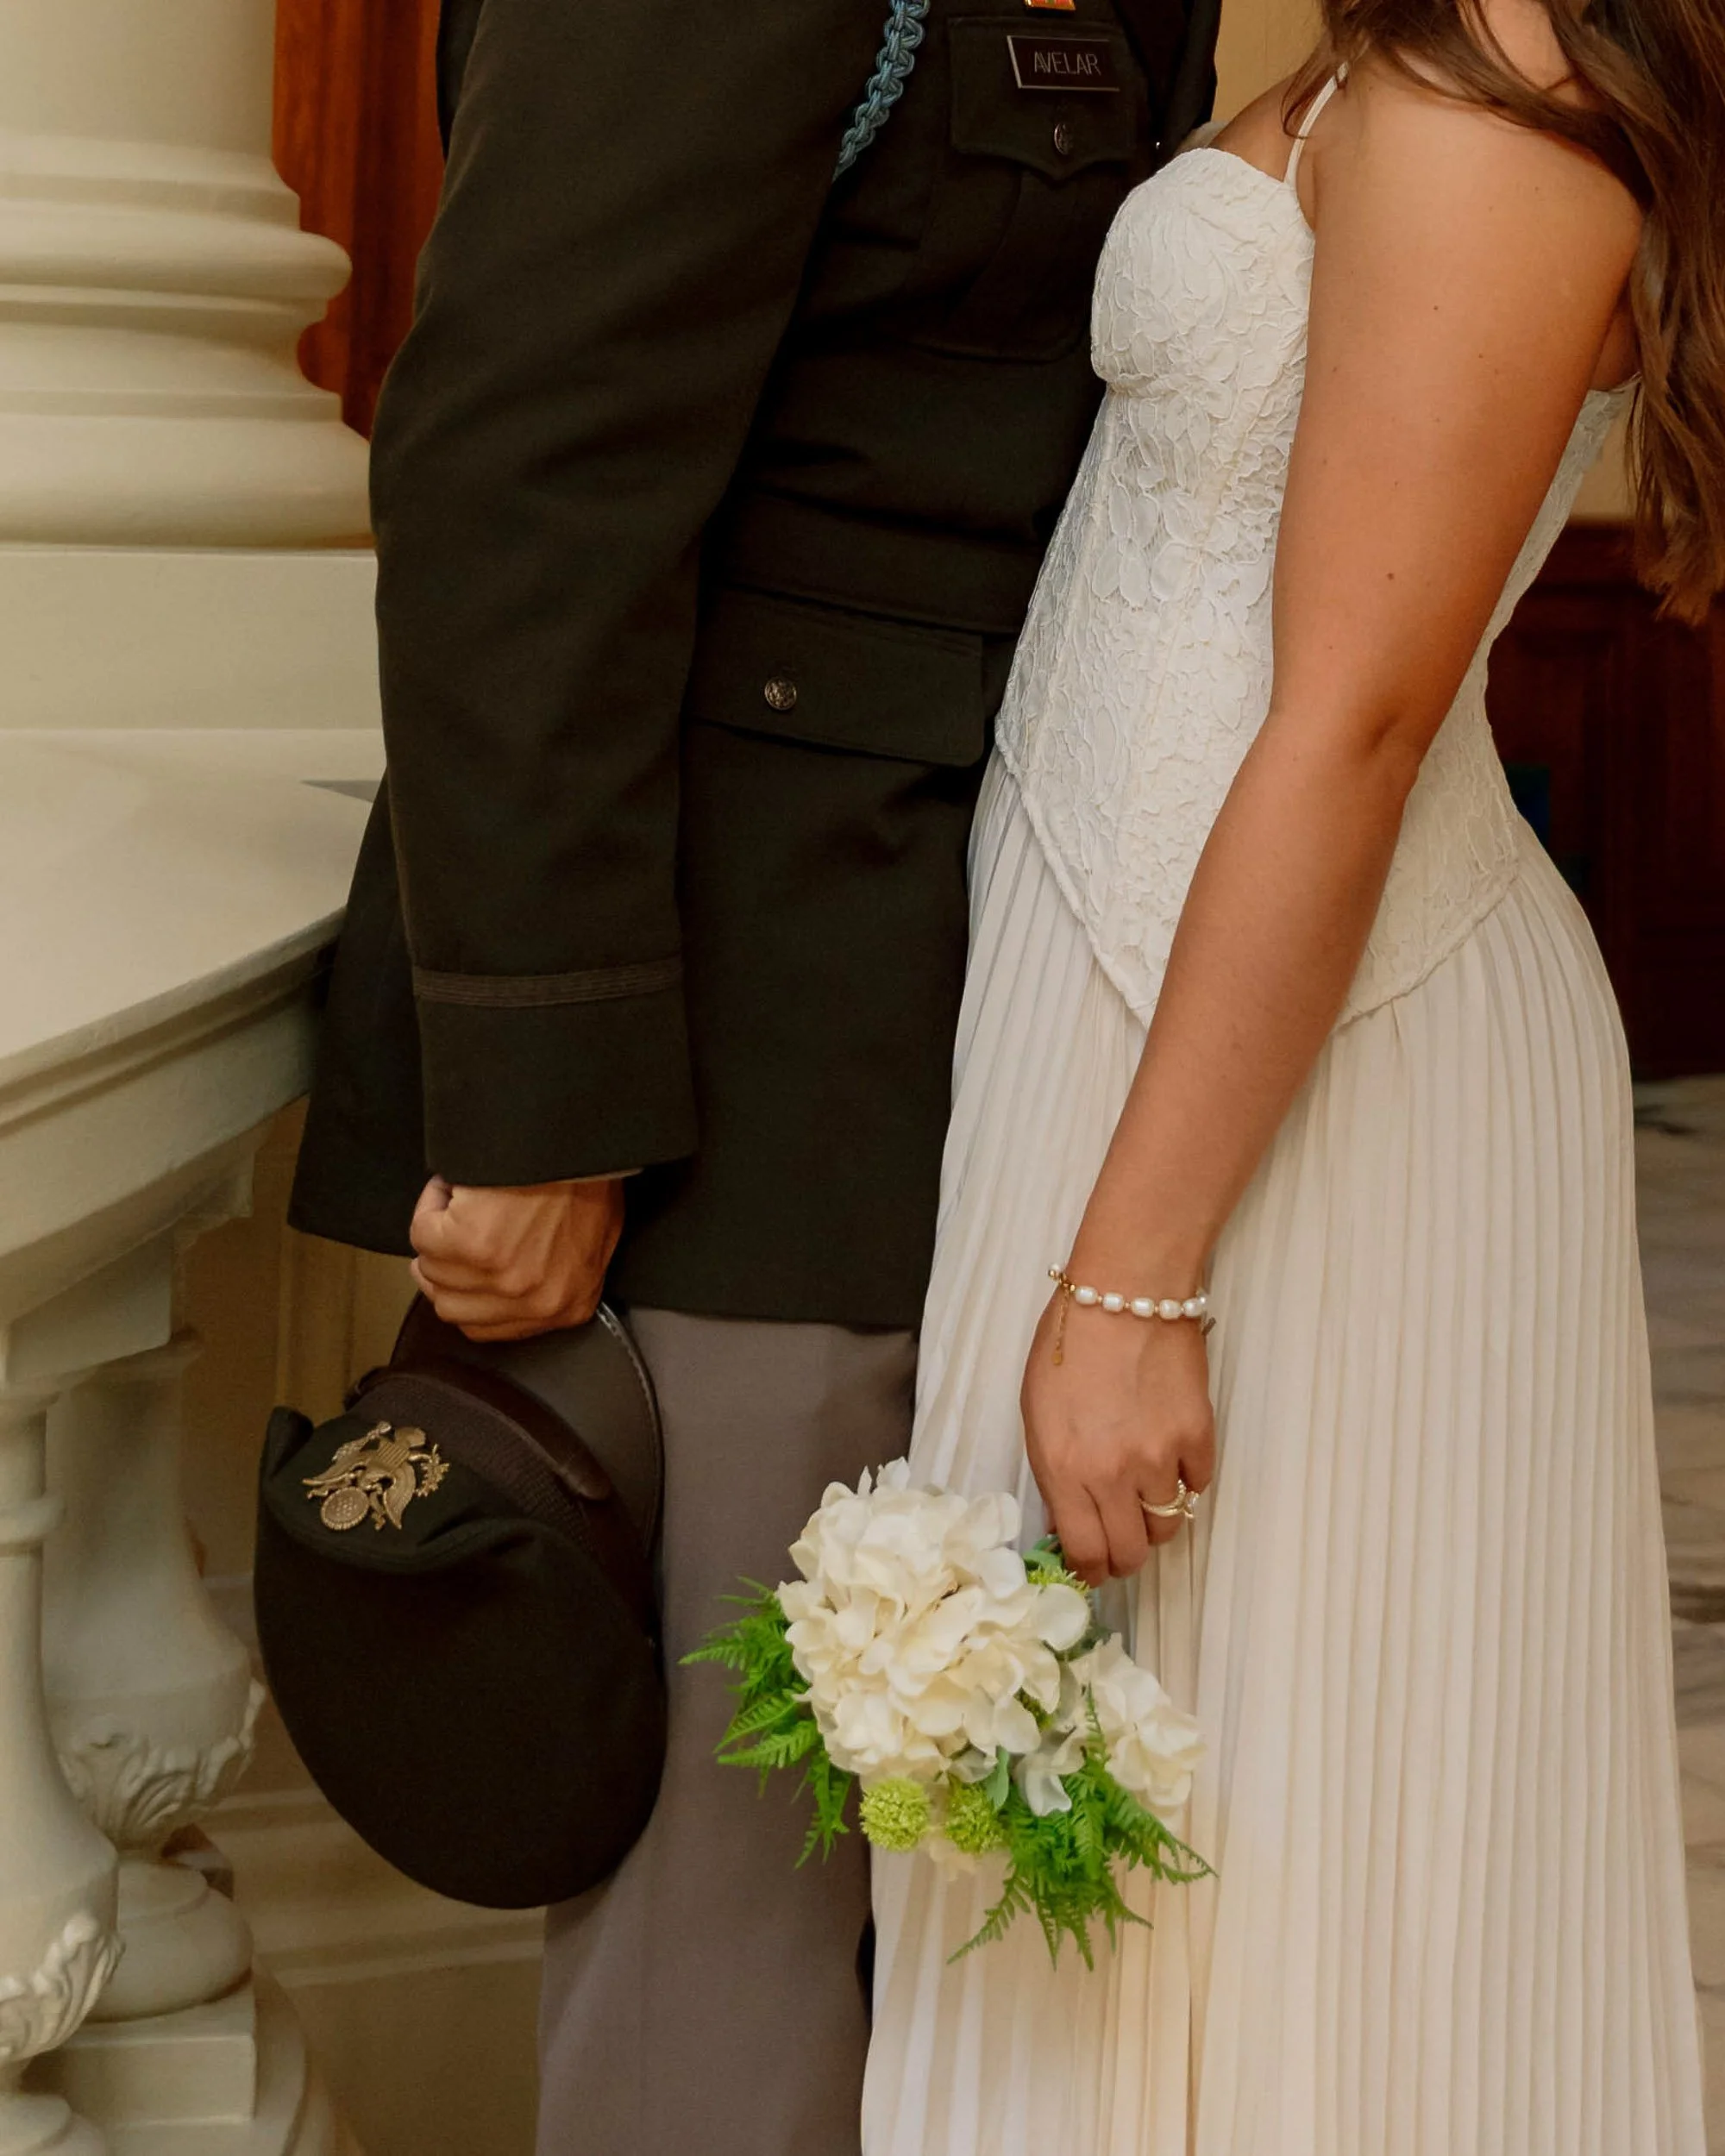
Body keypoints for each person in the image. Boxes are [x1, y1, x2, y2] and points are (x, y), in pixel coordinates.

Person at [287, 0, 1223, 2151]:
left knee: (945, 1891)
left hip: (1003, 998)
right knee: (722, 1955)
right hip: (740, 1033)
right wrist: (540, 1102)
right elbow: (523, 468)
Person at [863, 1, 1721, 2149]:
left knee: (1279, 1895)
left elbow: (1345, 717)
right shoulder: (1392, 49)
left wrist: (1135, 1270)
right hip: (1135, 1007)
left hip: (1308, 1085)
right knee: (1086, 1883)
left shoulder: (1500, 89)